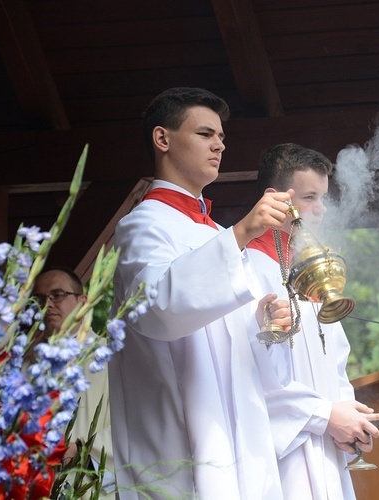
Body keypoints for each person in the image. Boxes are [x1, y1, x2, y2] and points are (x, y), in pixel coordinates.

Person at [109, 87, 295, 499]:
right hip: (180, 441)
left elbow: (237, 348)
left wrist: (267, 327)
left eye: (222, 138)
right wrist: (244, 232)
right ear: (163, 139)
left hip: (238, 439)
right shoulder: (142, 225)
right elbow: (159, 308)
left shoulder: (214, 234)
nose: (219, 145)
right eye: (206, 134)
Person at [246, 143, 379, 499]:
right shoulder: (245, 269)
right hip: (281, 453)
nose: (321, 209)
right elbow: (248, 376)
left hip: (326, 448)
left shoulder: (313, 275)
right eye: (309, 197)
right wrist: (326, 416)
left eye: (323, 197)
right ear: (274, 197)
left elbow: (335, 364)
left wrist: (350, 421)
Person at [32, 267, 116, 497]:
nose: (47, 304)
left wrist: (81, 450)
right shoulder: (27, 365)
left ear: (82, 302)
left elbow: (133, 423)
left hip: (84, 483)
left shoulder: (110, 358)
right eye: (40, 299)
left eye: (57, 295)